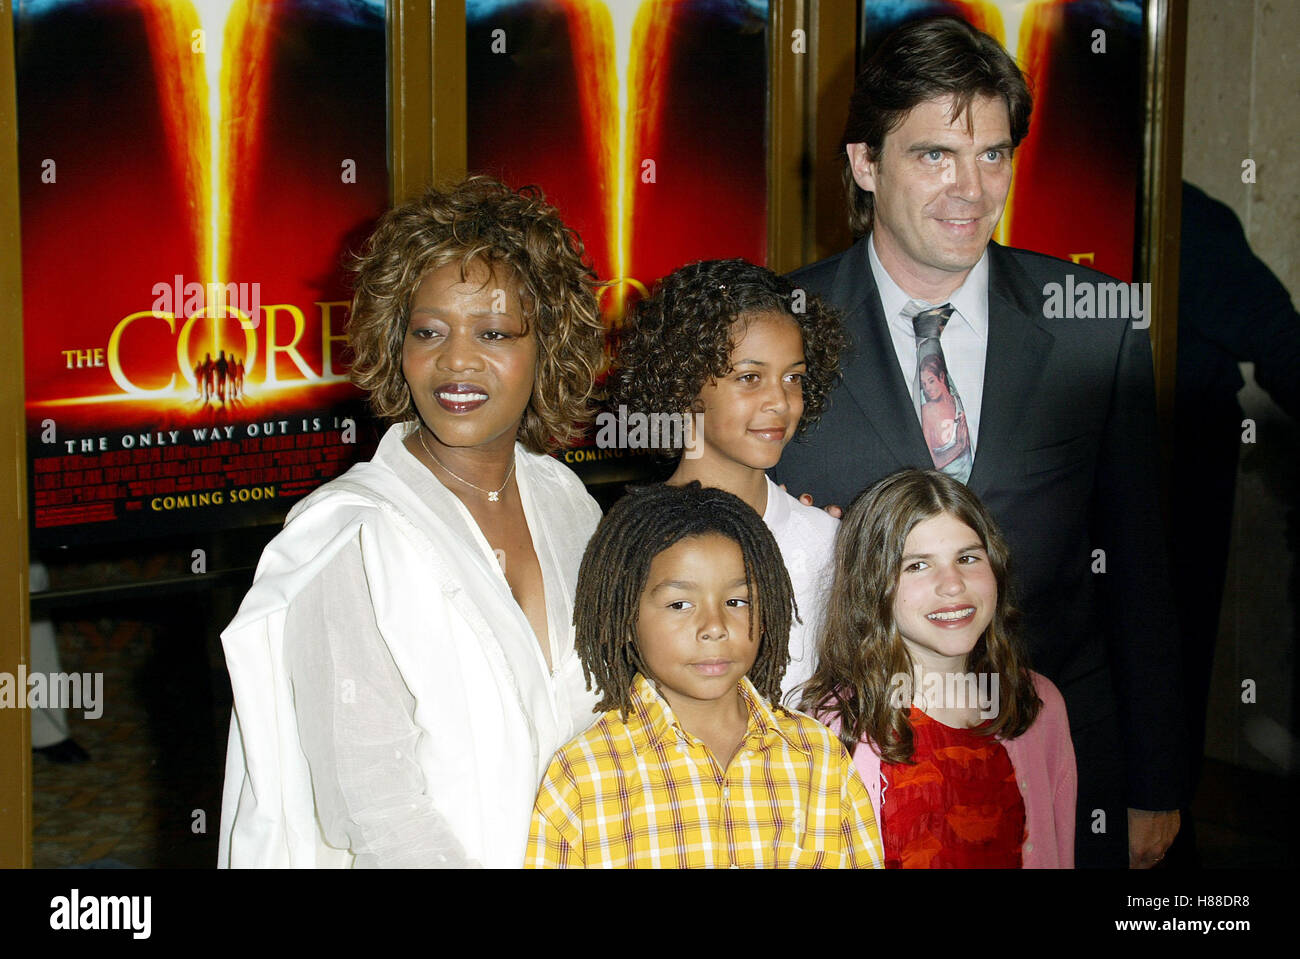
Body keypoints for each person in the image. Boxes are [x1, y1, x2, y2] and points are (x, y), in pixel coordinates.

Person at [774, 16, 1183, 867]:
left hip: (1056, 758)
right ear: (864, 163)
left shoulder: (1096, 325)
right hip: (850, 776)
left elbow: (1140, 568)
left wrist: (1153, 778)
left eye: (993, 154)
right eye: (935, 156)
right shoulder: (782, 331)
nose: (971, 188)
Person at [218, 176, 608, 867]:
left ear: (546, 344)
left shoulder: (567, 501)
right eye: (429, 331)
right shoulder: (352, 539)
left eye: (492, 332)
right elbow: (375, 810)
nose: (456, 360)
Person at [525, 482, 883, 868]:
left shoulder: (820, 757)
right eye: (680, 604)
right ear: (626, 617)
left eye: (736, 601)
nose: (714, 626)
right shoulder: (583, 776)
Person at [802, 469, 1075, 867]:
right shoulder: (833, 725)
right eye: (917, 565)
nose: (952, 584)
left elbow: (1060, 850)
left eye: (967, 558)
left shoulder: (1038, 704)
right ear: (871, 584)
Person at [609, 259, 846, 702]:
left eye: (793, 378)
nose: (779, 401)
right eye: (750, 378)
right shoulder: (625, 543)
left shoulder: (830, 544)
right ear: (683, 383)